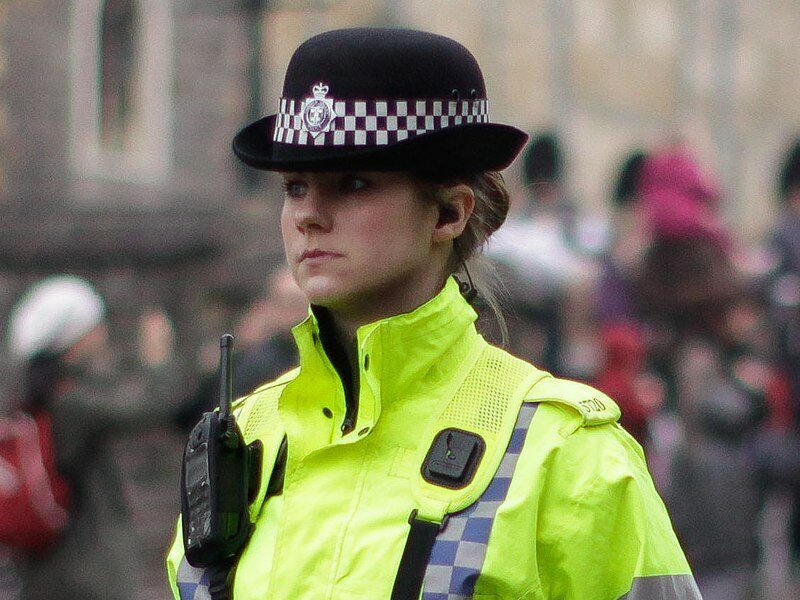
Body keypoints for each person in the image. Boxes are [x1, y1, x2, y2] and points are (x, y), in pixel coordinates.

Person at [167, 28, 699, 599]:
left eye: (353, 183)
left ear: (449, 214)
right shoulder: (244, 440)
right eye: (295, 187)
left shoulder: (565, 455)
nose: (309, 215)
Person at [6, 275, 186, 599]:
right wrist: (158, 359)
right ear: (74, 340)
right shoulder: (72, 405)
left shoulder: (43, 401)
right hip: (86, 577)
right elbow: (152, 405)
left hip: (50, 575)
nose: (102, 334)